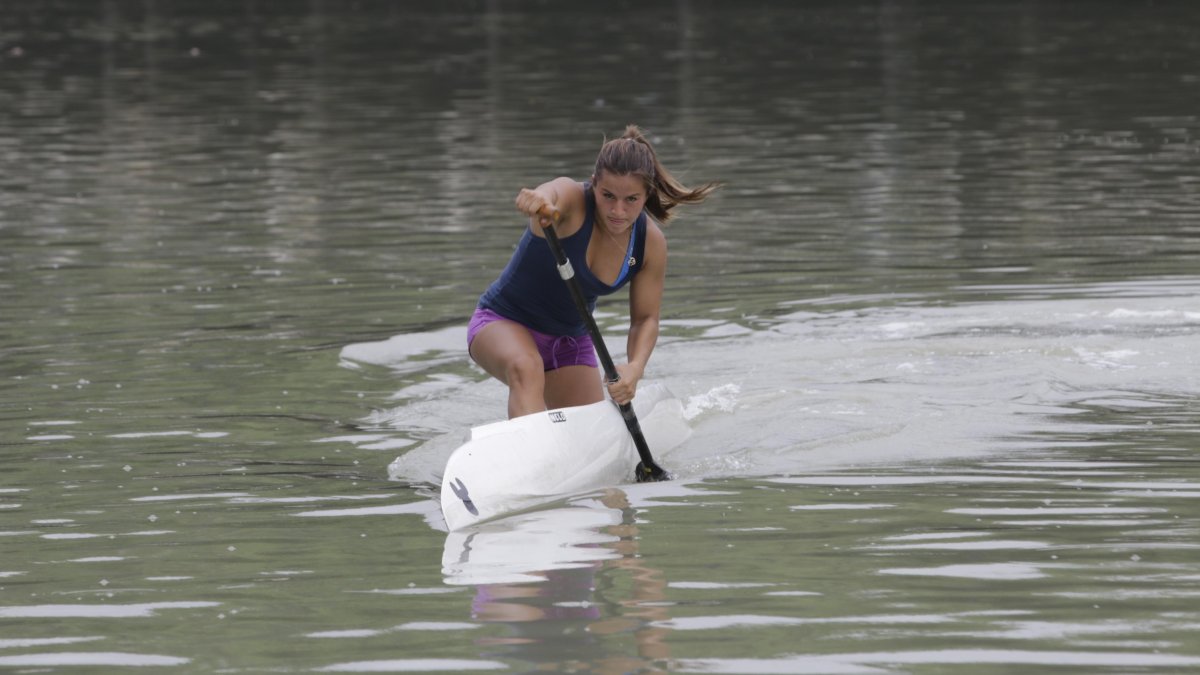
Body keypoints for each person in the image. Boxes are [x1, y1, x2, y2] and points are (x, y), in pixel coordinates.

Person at [467, 125, 718, 418]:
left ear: (647, 194)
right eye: (608, 195)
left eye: (631, 200)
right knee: (527, 366)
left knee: (591, 427)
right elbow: (553, 191)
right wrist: (540, 200)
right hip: (501, 322)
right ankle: (531, 456)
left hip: (569, 343)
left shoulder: (650, 244)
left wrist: (634, 370)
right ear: (593, 183)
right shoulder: (571, 203)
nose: (618, 211)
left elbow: (645, 319)